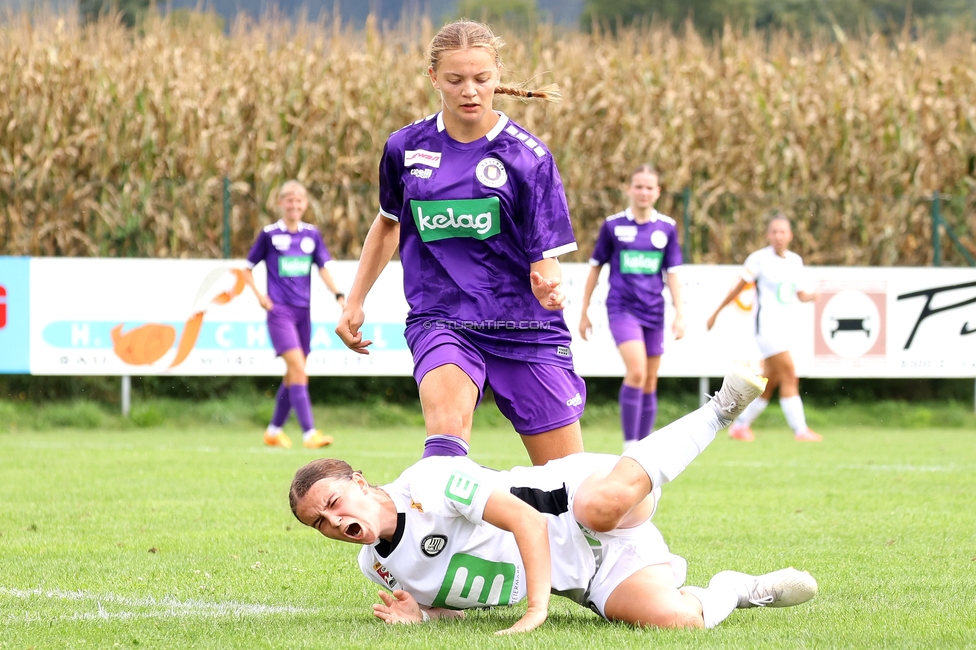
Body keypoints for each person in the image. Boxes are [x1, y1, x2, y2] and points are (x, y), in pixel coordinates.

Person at [289, 364, 818, 635]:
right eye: (321, 523)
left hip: (570, 502)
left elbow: (527, 522)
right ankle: (742, 589)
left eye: (334, 501)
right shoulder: (374, 566)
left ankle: (721, 409)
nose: (335, 521)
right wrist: (421, 619)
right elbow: (453, 604)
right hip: (587, 577)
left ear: (359, 481)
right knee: (678, 621)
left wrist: (536, 610)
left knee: (603, 506)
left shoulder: (431, 479)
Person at [335, 21, 585, 465]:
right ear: (434, 78)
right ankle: (440, 533)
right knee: (448, 432)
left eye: (481, 79)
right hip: (442, 318)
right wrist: (354, 300)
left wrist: (549, 288)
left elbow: (543, 258)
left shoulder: (530, 159)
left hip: (523, 325)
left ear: (497, 75)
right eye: (455, 80)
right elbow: (389, 222)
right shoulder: (405, 148)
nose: (470, 90)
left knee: (570, 484)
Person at [579, 165, 685, 450]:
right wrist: (584, 311)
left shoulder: (667, 228)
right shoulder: (613, 226)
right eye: (638, 186)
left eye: (650, 187)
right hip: (622, 309)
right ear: (629, 189)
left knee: (650, 380)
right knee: (637, 371)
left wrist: (680, 313)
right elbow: (595, 269)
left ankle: (643, 446)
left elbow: (672, 273)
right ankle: (629, 444)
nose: (644, 192)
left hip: (654, 311)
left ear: (658, 192)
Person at [242, 180, 346, 449]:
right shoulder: (269, 234)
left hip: (303, 313)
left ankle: (273, 431)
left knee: (293, 374)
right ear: (280, 203)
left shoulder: (311, 235)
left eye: (299, 200)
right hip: (279, 312)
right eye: (289, 199)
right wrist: (260, 296)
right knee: (299, 369)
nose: (294, 204)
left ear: (305, 205)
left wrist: (338, 294)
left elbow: (323, 267)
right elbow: (246, 269)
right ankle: (309, 433)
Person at [706, 214, 821, 442]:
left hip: (785, 329)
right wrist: (716, 313)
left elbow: (799, 294)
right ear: (768, 235)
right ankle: (800, 430)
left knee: (770, 381)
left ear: (790, 235)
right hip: (767, 329)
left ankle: (739, 426)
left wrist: (811, 297)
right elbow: (738, 288)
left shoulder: (795, 261)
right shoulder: (759, 259)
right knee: (790, 373)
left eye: (783, 232)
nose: (778, 236)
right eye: (774, 232)